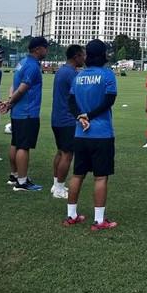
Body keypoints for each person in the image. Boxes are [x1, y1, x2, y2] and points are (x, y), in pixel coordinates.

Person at [64, 39, 119, 230]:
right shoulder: (107, 75)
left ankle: (71, 216)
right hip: (101, 134)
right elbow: (109, 100)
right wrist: (90, 115)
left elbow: (71, 101)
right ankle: (99, 220)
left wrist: (80, 116)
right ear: (103, 55)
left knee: (77, 175)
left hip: (81, 133)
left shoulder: (78, 77)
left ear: (87, 56)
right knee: (101, 177)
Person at [2, 36, 48, 192]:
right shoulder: (32, 66)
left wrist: (10, 102)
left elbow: (13, 86)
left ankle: (14, 175)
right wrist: (9, 103)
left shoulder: (22, 63)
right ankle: (22, 182)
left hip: (18, 111)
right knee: (23, 147)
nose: (46, 50)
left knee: (15, 143)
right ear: (37, 49)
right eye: (45, 47)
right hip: (27, 112)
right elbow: (21, 88)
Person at [50, 44, 85, 199]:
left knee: (60, 151)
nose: (84, 58)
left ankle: (55, 184)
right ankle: (59, 188)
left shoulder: (62, 71)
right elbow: (78, 96)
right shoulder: (71, 74)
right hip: (67, 119)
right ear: (76, 56)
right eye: (82, 55)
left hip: (57, 118)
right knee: (67, 154)